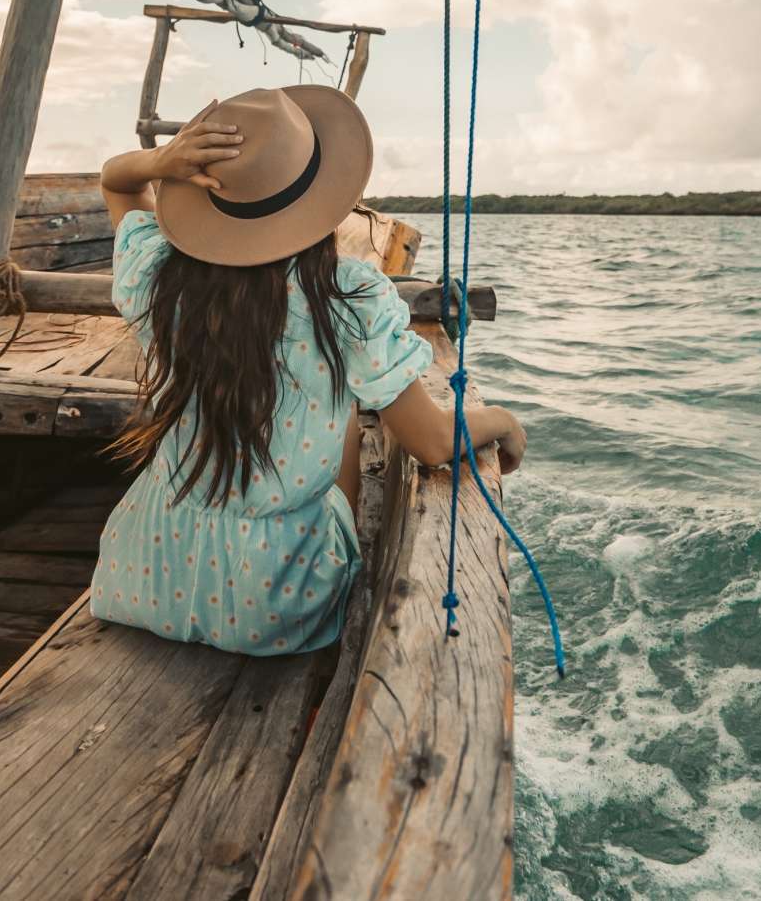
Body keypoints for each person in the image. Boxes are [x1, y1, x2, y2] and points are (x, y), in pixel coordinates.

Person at [91, 84, 526, 655]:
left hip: (144, 573)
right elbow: (433, 444)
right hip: (274, 603)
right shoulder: (345, 297)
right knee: (342, 401)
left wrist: (158, 161)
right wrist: (502, 421)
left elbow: (116, 180)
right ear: (323, 201)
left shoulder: (158, 273)